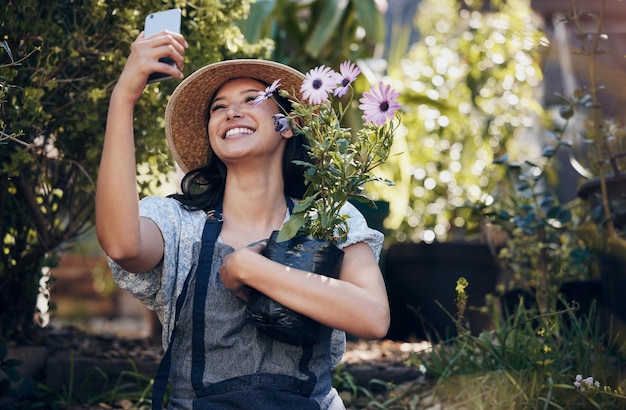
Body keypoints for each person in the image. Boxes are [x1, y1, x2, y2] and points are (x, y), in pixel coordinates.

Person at [96, 29, 390, 409]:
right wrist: (124, 98)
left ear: (288, 125)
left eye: (252, 99)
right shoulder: (179, 223)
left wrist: (249, 268)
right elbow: (121, 244)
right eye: (218, 107)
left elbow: (373, 317)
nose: (232, 112)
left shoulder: (329, 218)